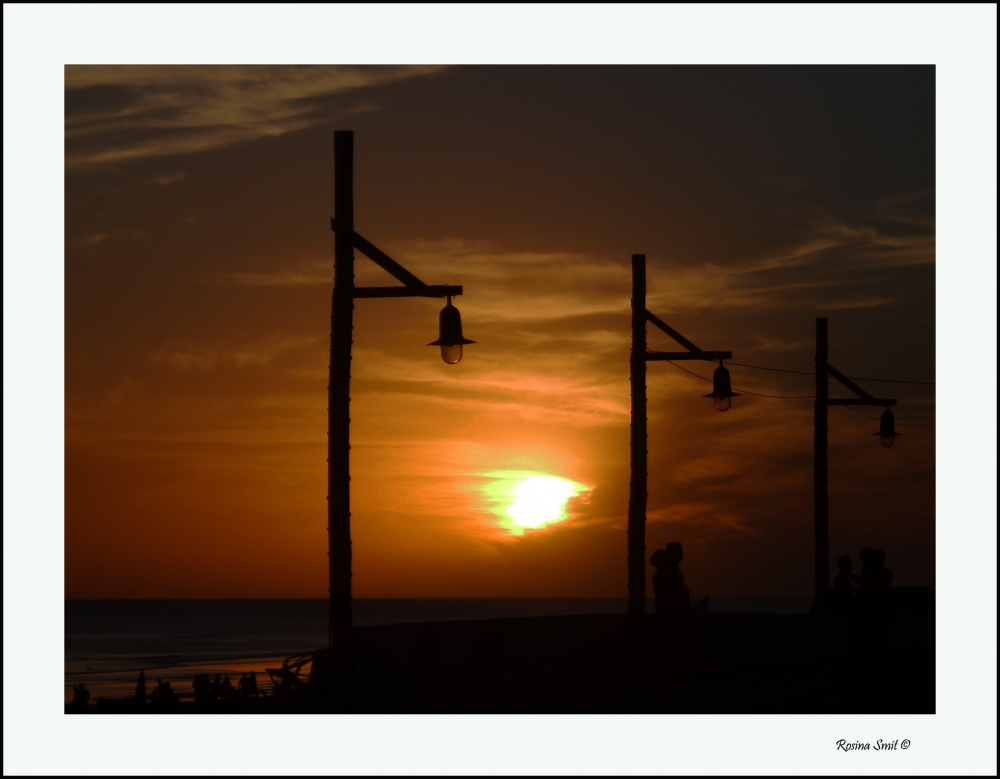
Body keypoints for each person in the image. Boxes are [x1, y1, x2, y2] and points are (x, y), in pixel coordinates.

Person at [651, 541, 690, 617]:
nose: (682, 553)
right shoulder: (663, 574)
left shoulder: (673, 572)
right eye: (679, 551)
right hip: (670, 617)